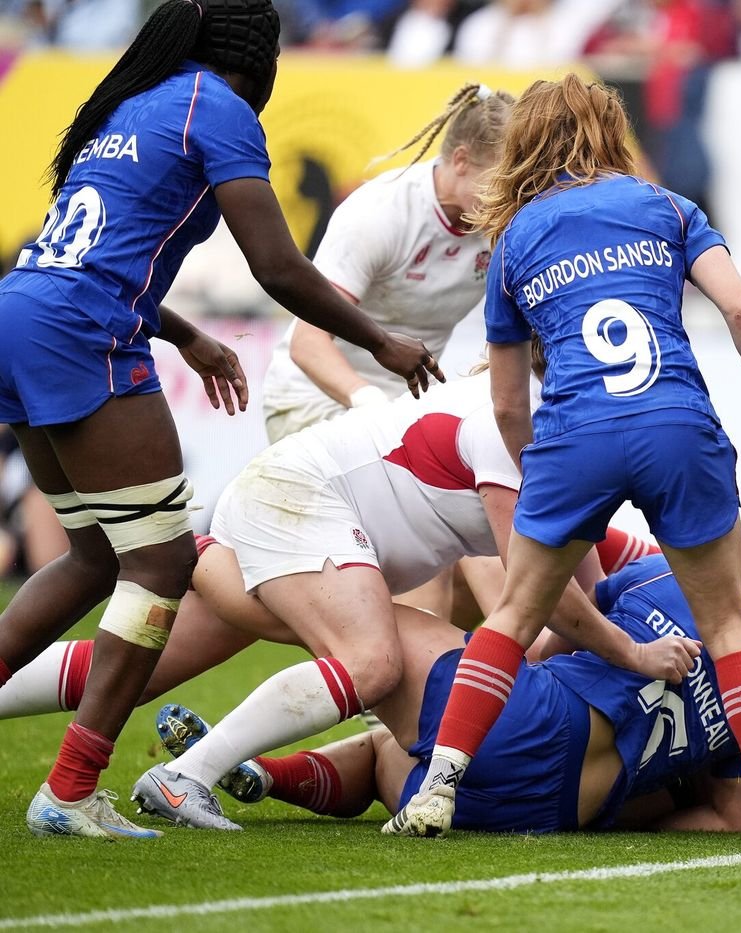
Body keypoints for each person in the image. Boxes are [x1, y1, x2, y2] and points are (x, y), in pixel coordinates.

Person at [0, 0, 441, 841]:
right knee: (164, 564)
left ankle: (68, 785)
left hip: (21, 313)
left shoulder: (132, 104)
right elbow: (276, 264)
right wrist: (379, 340)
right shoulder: (219, 107)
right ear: (259, 58)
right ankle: (69, 788)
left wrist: (188, 331)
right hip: (80, 334)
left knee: (95, 554)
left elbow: (99, 250)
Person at [384, 74, 741, 850]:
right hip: (678, 423)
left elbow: (510, 402)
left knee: (512, 617)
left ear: (527, 144)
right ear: (610, 133)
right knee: (726, 624)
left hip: (574, 432)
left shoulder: (512, 239)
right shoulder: (668, 207)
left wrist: (543, 475)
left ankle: (438, 788)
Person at [112, 371, 698, 829]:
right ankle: (200, 761)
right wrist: (633, 656)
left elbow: (551, 599)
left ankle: (180, 564)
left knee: (367, 681)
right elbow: (729, 811)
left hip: (314, 508)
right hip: (535, 803)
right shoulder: (528, 430)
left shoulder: (548, 435)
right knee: (374, 674)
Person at [150, 534, 741, 836]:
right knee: (389, 749)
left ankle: (198, 556)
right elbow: (731, 816)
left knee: (363, 633)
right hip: (553, 812)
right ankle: (268, 775)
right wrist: (637, 812)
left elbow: (560, 627)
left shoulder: (659, 577)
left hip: (541, 716)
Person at [260, 81, 510, 444]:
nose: (510, 195)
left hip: (404, 411)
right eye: (499, 182)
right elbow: (307, 342)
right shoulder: (380, 213)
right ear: (460, 160)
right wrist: (373, 407)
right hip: (311, 402)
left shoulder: (506, 220)